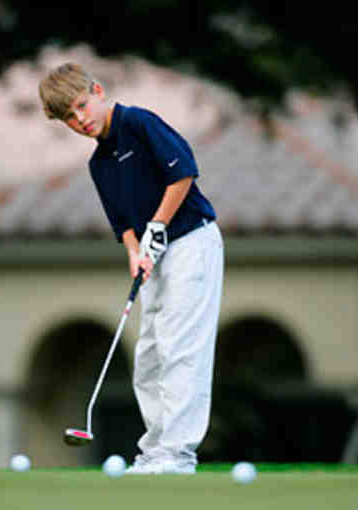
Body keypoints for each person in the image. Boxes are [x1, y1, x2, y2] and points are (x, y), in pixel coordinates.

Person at [38, 63, 224, 474]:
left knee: (180, 349)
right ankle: (156, 450)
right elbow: (122, 222)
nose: (80, 119)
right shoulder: (98, 164)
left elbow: (183, 173)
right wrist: (134, 252)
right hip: (154, 256)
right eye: (69, 117)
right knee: (149, 355)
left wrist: (157, 225)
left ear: (98, 91)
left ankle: (178, 453)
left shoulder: (139, 123)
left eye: (81, 105)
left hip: (191, 242)